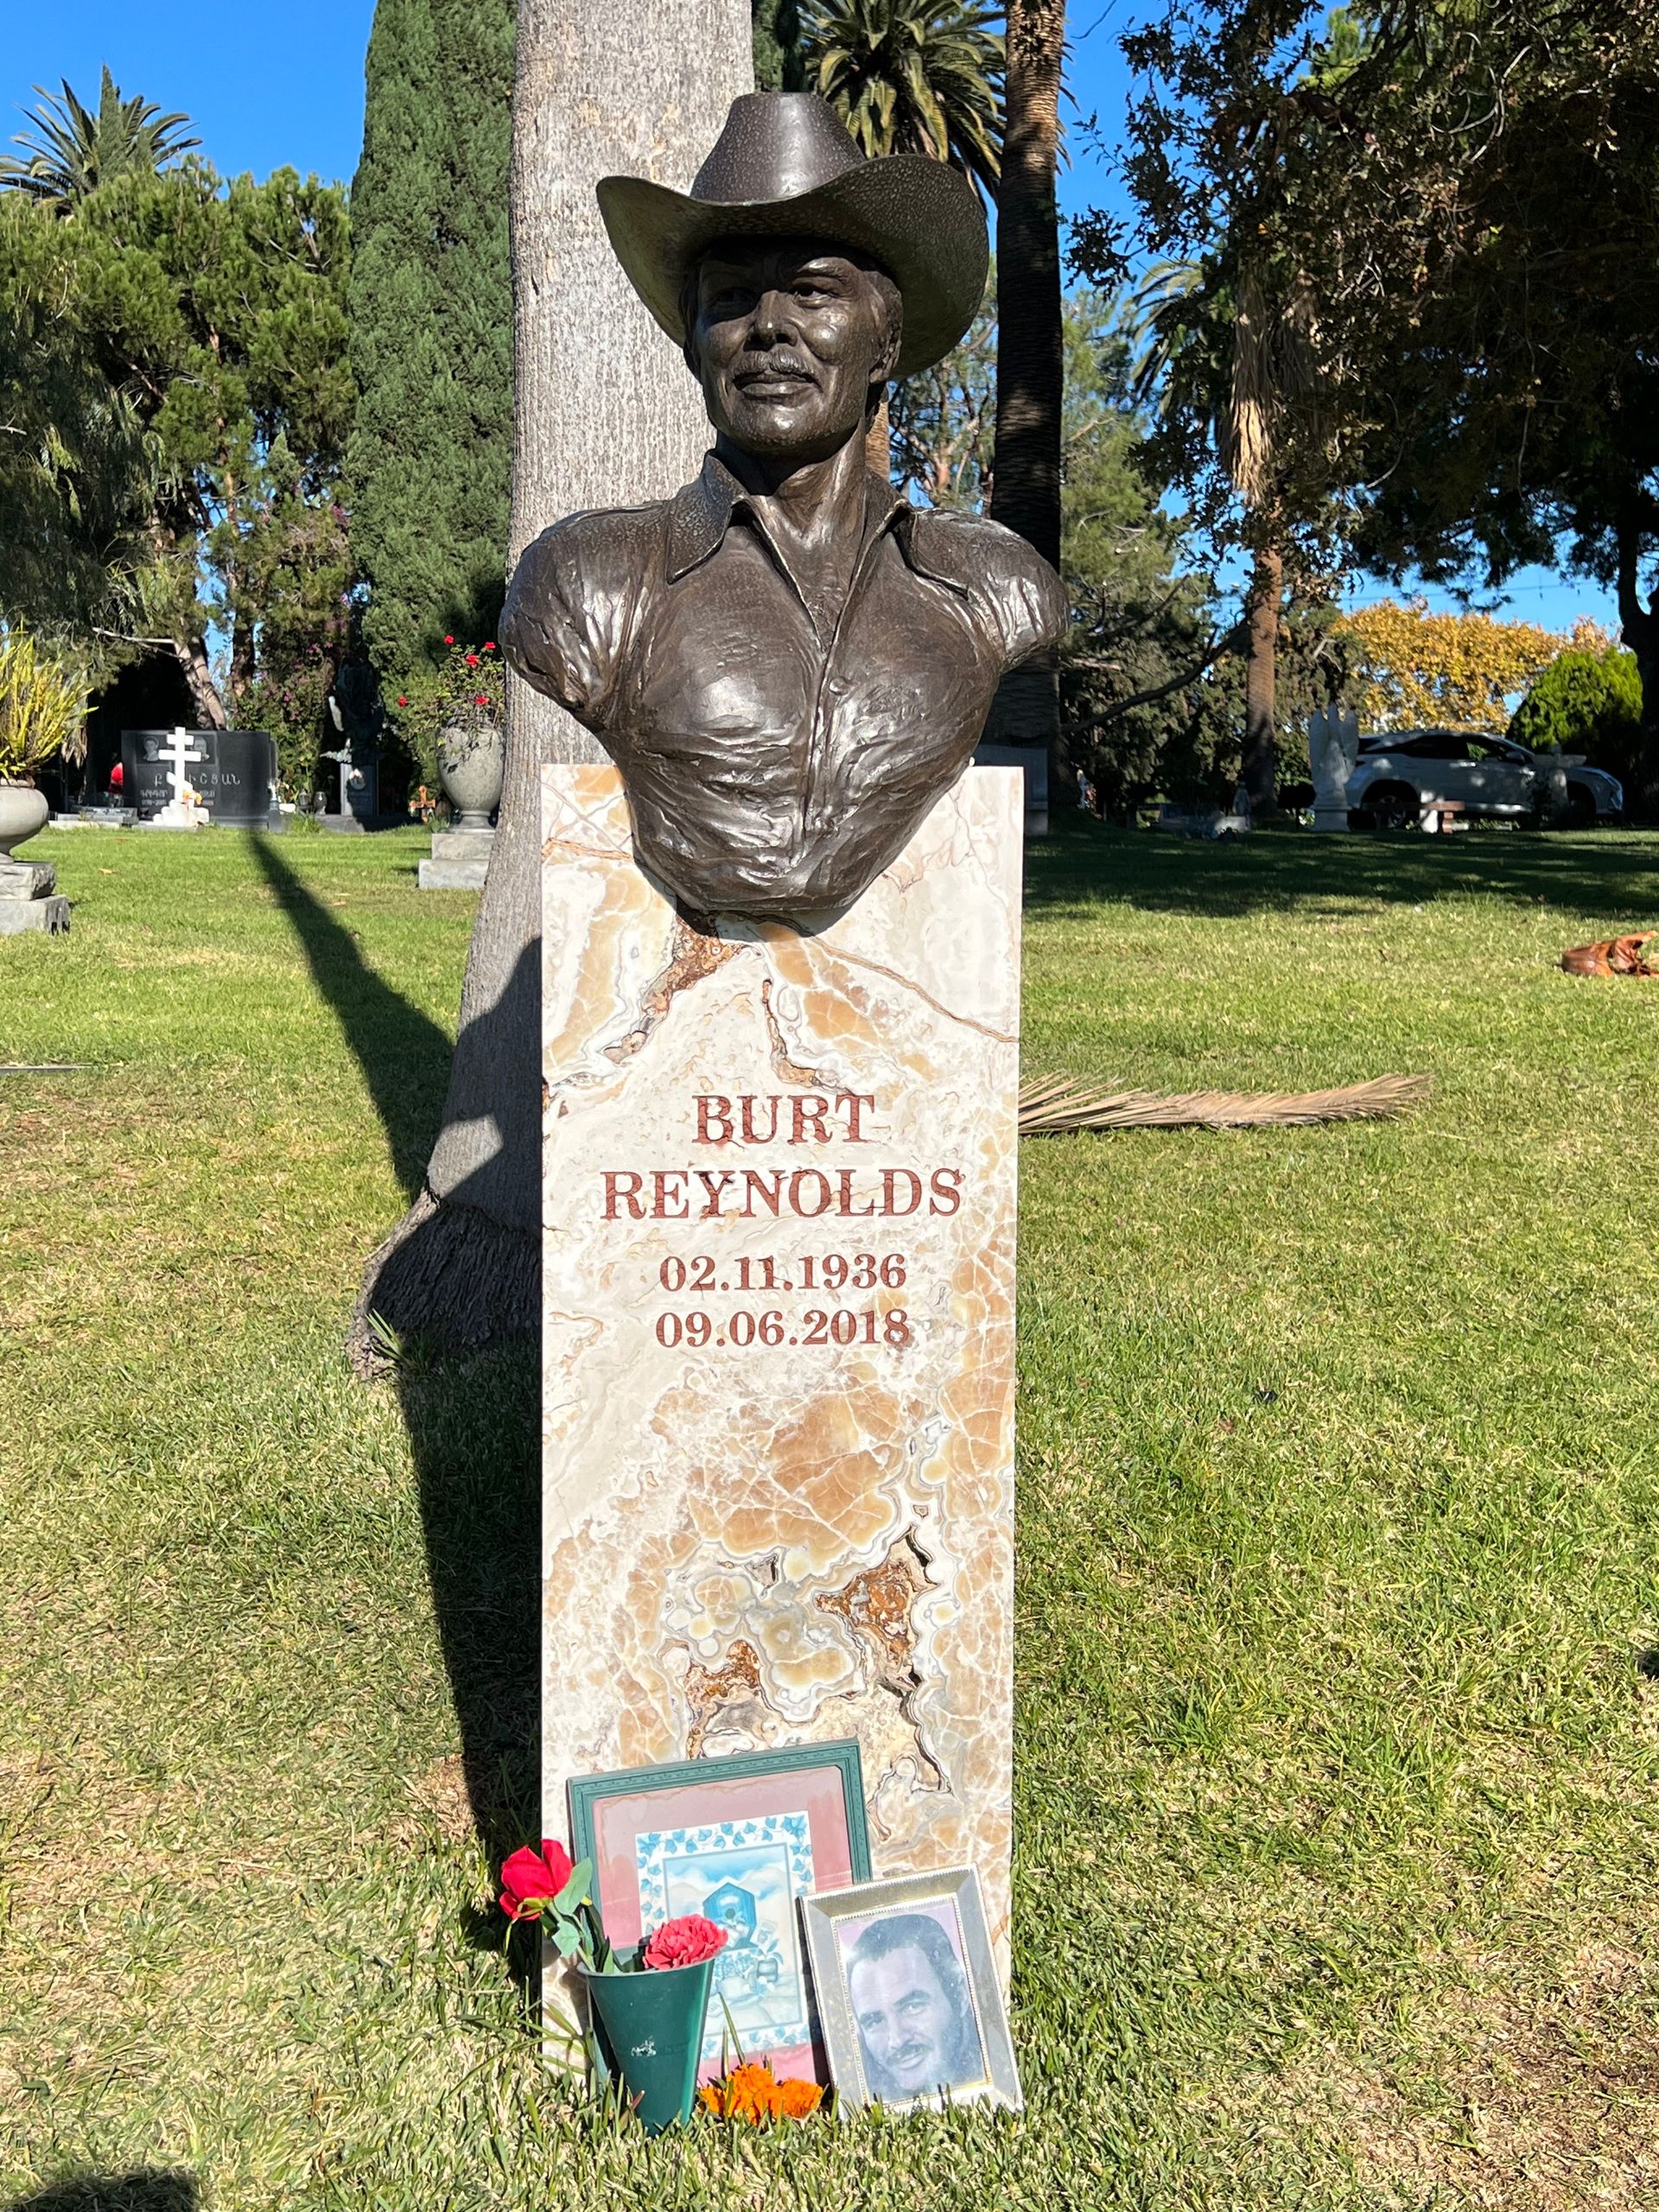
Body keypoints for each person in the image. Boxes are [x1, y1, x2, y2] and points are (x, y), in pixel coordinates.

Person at [501, 91, 1066, 919]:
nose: (769, 327)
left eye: (812, 292)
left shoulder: (996, 589)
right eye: (731, 298)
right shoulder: (585, 583)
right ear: (695, 345)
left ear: (885, 343)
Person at [843, 1911, 983, 2102]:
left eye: (912, 2007)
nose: (897, 2040)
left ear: (960, 1995)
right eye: (875, 2021)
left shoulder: (995, 2071)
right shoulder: (860, 2100)